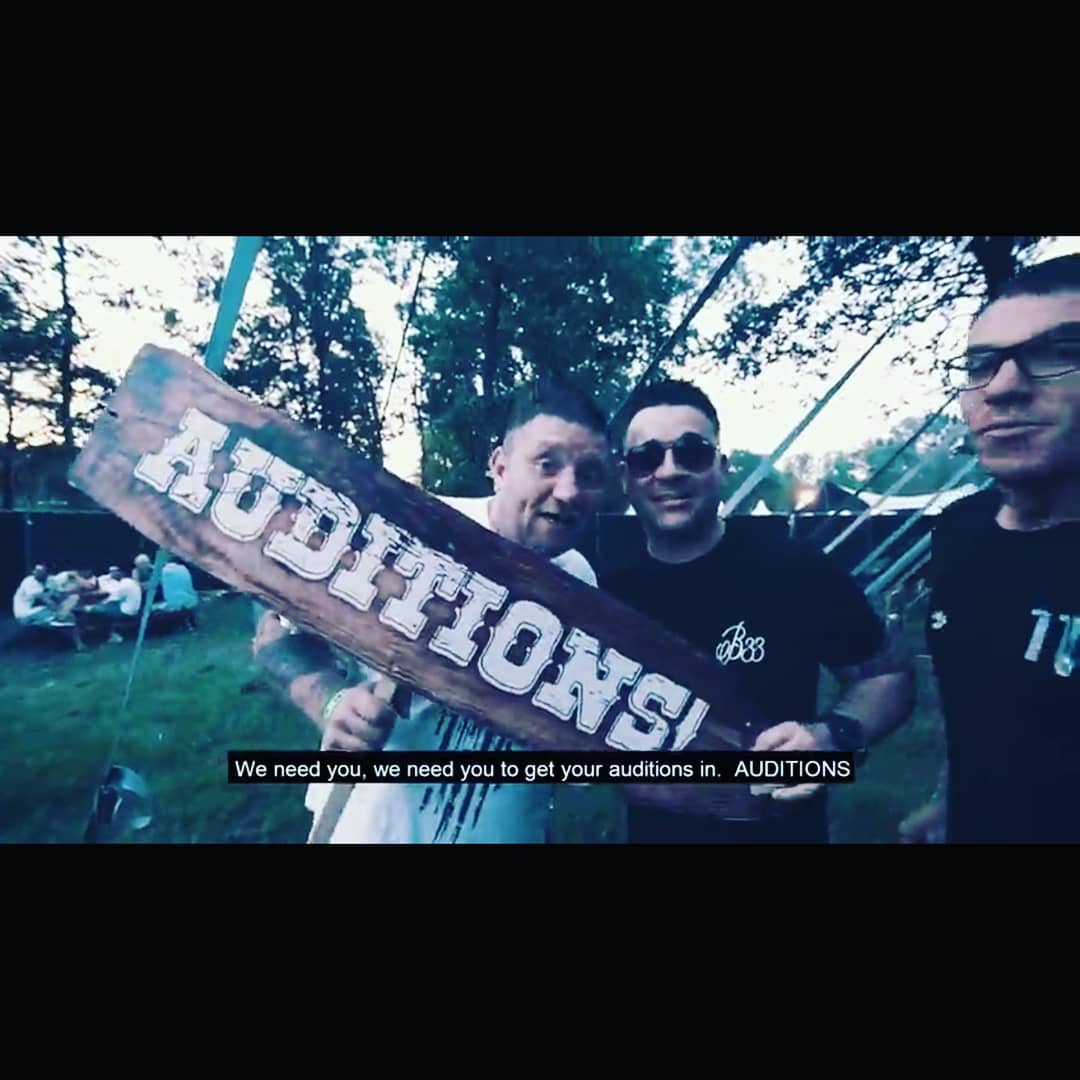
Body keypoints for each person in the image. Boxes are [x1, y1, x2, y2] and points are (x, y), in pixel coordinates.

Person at [253, 382, 613, 843]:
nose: (568, 491)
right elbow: (274, 633)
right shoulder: (411, 534)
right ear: (500, 466)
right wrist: (329, 701)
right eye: (548, 464)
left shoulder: (578, 579)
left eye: (589, 474)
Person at [601, 380, 916, 843]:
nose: (669, 471)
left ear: (722, 467)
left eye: (692, 452)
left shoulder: (794, 568)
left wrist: (831, 736)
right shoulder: (606, 594)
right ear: (626, 477)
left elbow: (887, 676)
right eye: (647, 458)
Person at [899, 254, 1080, 844]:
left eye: (1058, 352)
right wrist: (948, 801)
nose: (1000, 387)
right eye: (981, 365)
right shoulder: (959, 530)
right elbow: (976, 706)